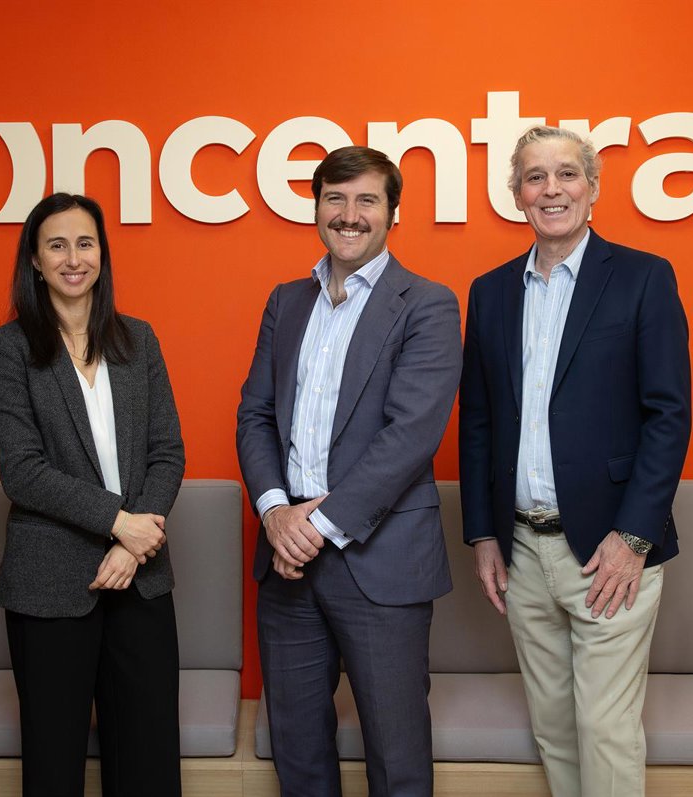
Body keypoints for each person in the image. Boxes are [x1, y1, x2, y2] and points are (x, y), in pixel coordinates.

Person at [459, 126, 691, 797]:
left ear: (592, 189)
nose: (551, 189)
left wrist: (634, 537)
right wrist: (483, 534)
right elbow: (477, 420)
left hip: (611, 548)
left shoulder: (644, 277)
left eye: (566, 174)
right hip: (521, 551)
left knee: (604, 728)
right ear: (516, 194)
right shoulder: (491, 291)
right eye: (535, 177)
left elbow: (669, 415)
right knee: (555, 728)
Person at [235, 146, 462, 797]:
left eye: (367, 200)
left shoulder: (427, 304)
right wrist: (276, 512)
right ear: (316, 209)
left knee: (396, 757)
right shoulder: (287, 302)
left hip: (379, 557)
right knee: (299, 754)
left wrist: (315, 527)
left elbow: (410, 437)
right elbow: (255, 414)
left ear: (393, 213)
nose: (349, 214)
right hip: (286, 558)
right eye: (335, 198)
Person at [0, 193, 185, 797]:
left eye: (86, 243)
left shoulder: (138, 340)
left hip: (141, 575)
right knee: (54, 763)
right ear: (35, 261)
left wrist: (134, 542)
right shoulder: (9, 348)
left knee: (148, 762)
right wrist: (120, 523)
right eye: (57, 245)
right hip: (49, 581)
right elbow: (22, 470)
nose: (74, 259)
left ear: (102, 254)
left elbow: (167, 451)